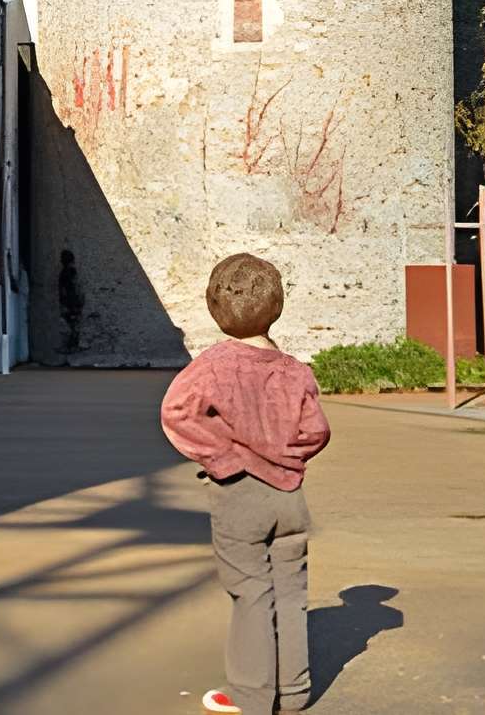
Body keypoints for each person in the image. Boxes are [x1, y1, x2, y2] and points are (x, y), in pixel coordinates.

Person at [159, 253, 330, 715]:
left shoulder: (212, 366)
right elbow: (317, 431)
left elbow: (176, 413)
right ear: (276, 306)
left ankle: (252, 696)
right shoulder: (296, 370)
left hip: (239, 495)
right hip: (290, 496)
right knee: (291, 591)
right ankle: (294, 691)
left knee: (250, 592)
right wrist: (289, 457)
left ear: (216, 309)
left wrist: (223, 458)